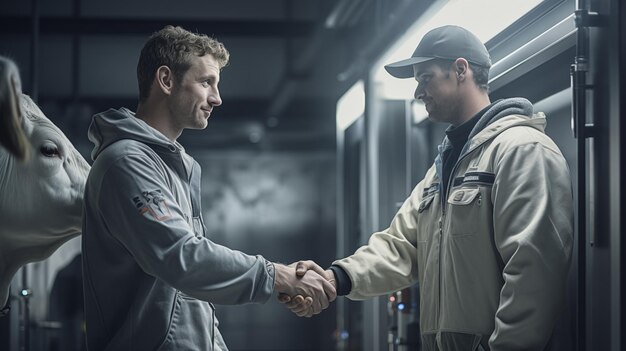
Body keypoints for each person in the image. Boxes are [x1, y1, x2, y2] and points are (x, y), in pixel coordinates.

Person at [281, 25, 573, 351]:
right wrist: (334, 279)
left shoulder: (521, 150)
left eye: (425, 78)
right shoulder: (442, 170)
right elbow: (399, 247)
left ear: (460, 70)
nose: (417, 93)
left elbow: (533, 273)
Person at [81, 25, 335, 351]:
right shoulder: (127, 163)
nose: (217, 98)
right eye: (206, 82)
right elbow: (182, 258)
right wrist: (277, 276)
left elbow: (188, 294)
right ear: (166, 80)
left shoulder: (169, 166)